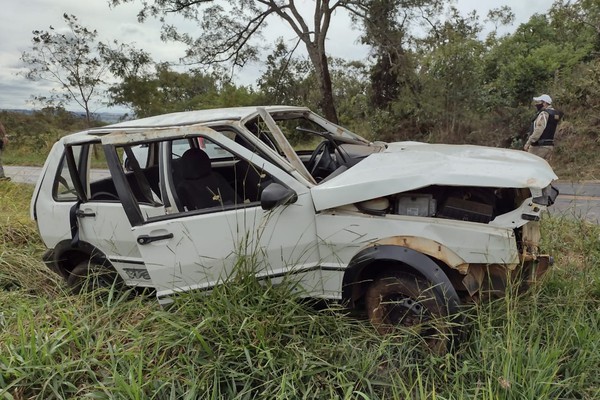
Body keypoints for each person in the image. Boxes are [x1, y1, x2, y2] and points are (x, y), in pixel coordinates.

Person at [523, 94, 563, 161]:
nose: (536, 104)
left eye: (539, 102)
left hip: (539, 147)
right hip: (549, 146)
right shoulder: (554, 114)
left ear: (544, 103)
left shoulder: (544, 114)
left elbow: (539, 129)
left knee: (530, 166)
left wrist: (529, 142)